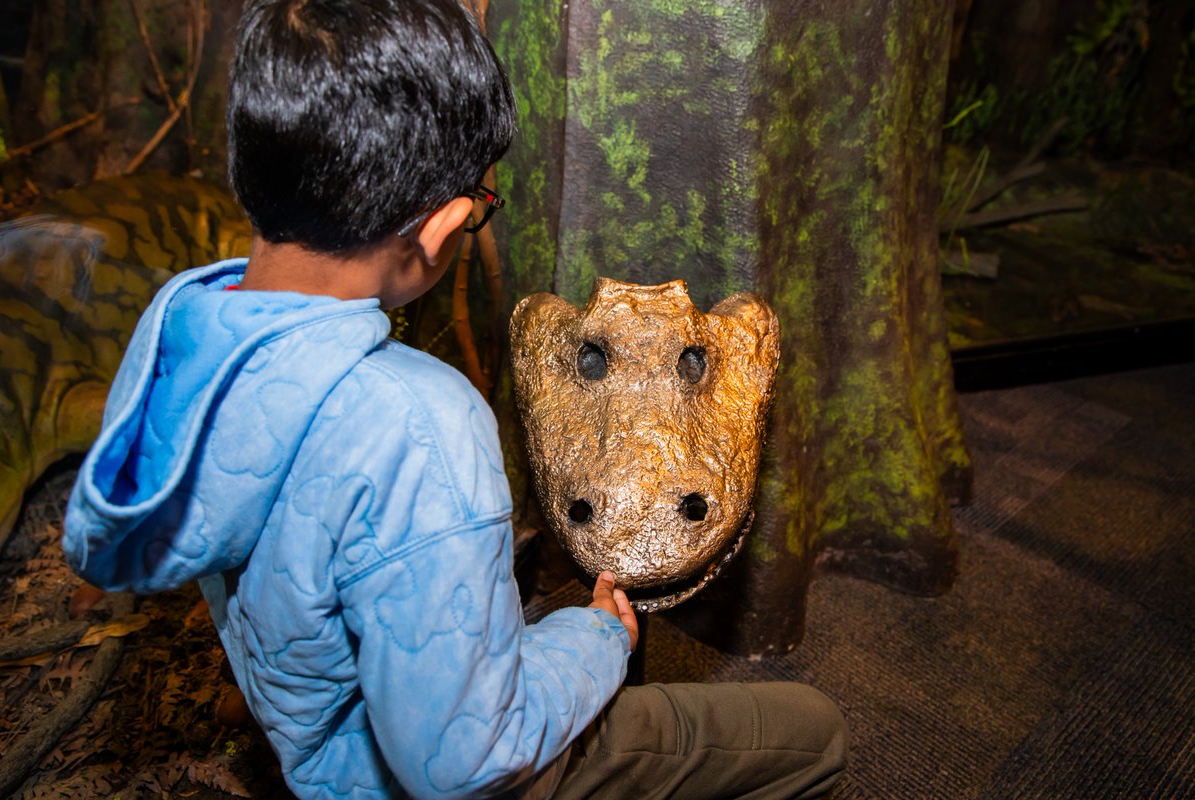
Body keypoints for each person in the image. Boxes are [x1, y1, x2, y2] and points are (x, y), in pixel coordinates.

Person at [63, 1, 847, 798]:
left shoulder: (186, 328)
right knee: (813, 733)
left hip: (314, 741)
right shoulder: (423, 422)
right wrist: (597, 640)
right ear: (439, 230)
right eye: (481, 207)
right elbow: (465, 760)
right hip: (440, 778)